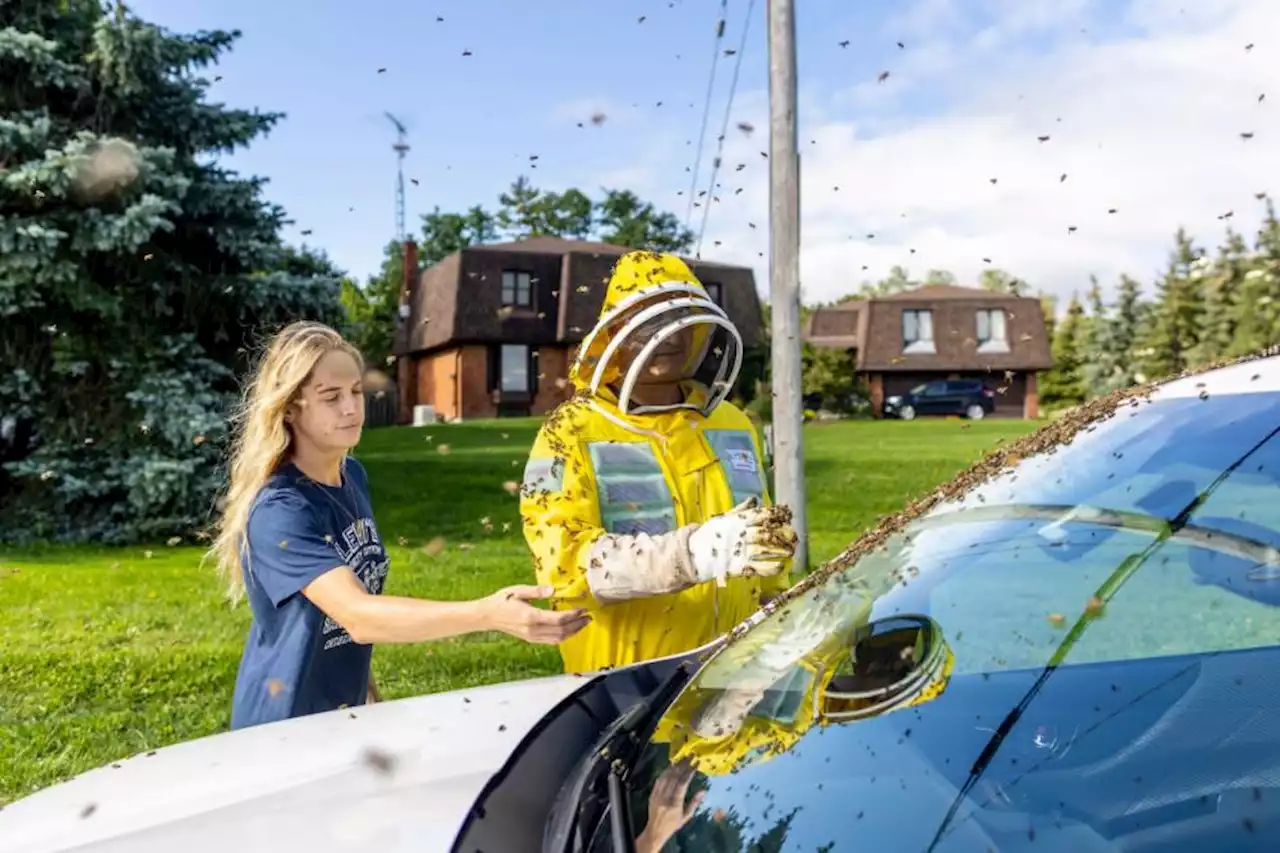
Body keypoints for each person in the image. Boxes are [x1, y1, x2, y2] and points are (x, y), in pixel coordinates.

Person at [206, 321, 589, 730]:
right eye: (330, 397)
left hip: (340, 717)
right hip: (281, 728)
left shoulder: (351, 476)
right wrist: (488, 614)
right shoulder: (281, 508)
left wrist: (365, 691)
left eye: (355, 391)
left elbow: (342, 609)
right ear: (290, 409)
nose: (352, 408)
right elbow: (357, 614)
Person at [520, 250, 798, 675]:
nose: (665, 334)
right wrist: (691, 555)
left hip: (739, 667)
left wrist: (781, 607)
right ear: (615, 332)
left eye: (676, 317)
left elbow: (761, 541)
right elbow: (563, 560)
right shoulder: (569, 431)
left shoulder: (732, 422)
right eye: (647, 320)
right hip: (627, 679)